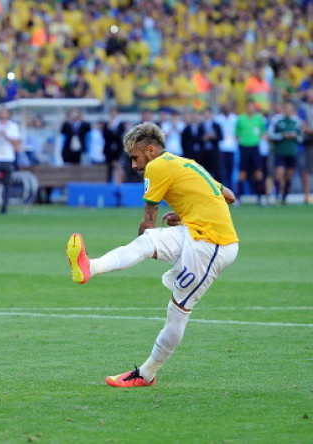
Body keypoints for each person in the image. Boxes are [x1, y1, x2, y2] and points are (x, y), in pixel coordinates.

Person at [66, 122, 238, 388]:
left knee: (177, 310)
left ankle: (146, 374)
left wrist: (168, 224)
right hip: (196, 233)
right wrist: (186, 214)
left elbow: (148, 220)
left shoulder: (157, 166)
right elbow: (228, 195)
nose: (134, 165)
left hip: (213, 245)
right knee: (148, 242)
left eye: (135, 157)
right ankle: (90, 266)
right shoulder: (186, 164)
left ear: (150, 150)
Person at [268, 101, 303, 205]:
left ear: (292, 110)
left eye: (290, 108)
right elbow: (270, 135)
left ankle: (285, 196)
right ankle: (277, 194)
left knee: (289, 175)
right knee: (279, 174)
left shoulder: (296, 121)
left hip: (292, 152)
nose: (288, 110)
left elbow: (301, 137)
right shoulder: (277, 120)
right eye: (286, 108)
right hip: (280, 151)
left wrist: (295, 136)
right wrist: (282, 135)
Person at [235, 101, 267, 205]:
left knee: (258, 173)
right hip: (244, 148)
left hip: (255, 148)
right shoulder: (241, 118)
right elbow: (237, 134)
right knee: (242, 174)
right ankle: (238, 198)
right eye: (248, 106)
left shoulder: (259, 119)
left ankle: (260, 197)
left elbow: (263, 133)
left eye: (252, 106)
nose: (250, 108)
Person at [215, 105, 238, 189]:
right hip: (221, 147)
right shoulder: (218, 119)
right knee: (222, 170)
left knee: (231, 170)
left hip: (232, 148)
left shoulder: (235, 118)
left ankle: (232, 189)